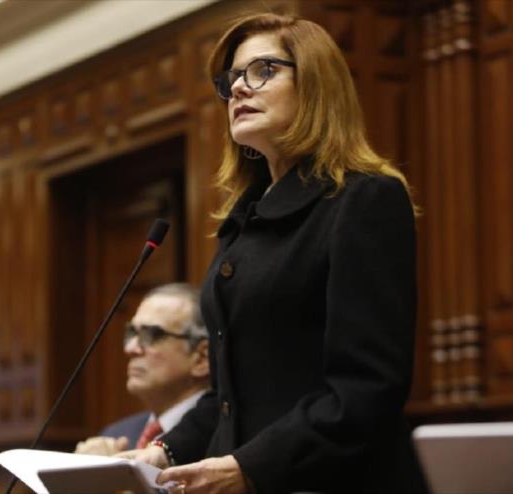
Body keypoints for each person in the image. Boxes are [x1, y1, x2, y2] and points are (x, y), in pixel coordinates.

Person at [120, 12, 428, 494]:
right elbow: (227, 397)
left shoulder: (364, 200)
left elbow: (365, 389)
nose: (240, 88)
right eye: (233, 78)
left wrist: (248, 467)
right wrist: (161, 451)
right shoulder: (243, 221)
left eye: (263, 70)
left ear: (315, 85)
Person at [75, 283, 210, 456]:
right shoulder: (117, 434)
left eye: (152, 335)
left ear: (201, 359)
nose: (131, 348)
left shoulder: (227, 437)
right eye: (132, 333)